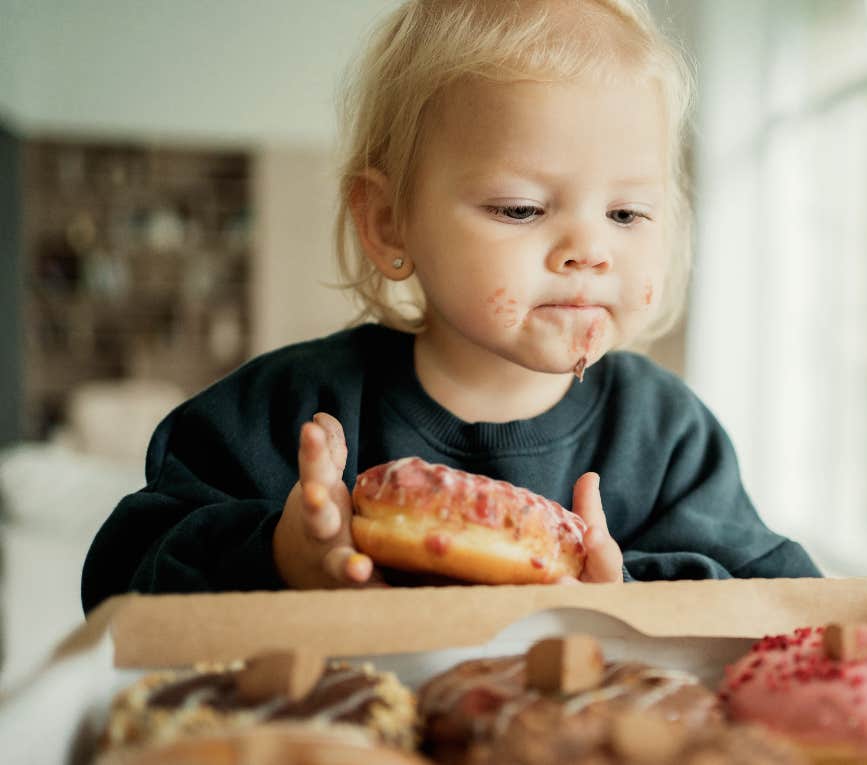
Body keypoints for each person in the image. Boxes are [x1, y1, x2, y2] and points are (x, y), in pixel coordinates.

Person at [81, 0, 820, 614]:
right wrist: (277, 554)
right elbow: (114, 578)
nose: (590, 249)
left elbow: (786, 607)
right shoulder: (293, 412)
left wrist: (627, 600)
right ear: (389, 222)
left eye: (628, 214)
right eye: (522, 207)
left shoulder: (665, 437)